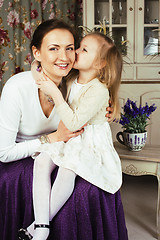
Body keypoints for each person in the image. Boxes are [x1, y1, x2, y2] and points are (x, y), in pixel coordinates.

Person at [0, 19, 128, 240]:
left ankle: (42, 226)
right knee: (48, 173)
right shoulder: (18, 87)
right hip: (30, 151)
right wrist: (52, 138)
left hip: (71, 147)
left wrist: (110, 110)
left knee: (83, 190)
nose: (67, 56)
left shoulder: (71, 80)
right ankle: (41, 227)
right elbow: (4, 152)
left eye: (71, 48)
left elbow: (97, 92)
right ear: (37, 53)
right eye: (53, 48)